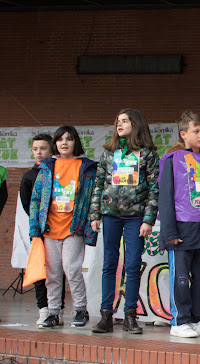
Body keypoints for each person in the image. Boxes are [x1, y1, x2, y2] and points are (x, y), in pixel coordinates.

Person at [89, 109, 160, 334]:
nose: (120, 125)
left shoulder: (147, 154)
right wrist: (95, 214)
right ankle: (106, 316)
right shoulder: (109, 153)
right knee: (109, 265)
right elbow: (98, 184)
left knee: (132, 265)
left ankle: (130, 316)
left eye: (125, 121)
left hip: (136, 217)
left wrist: (148, 219)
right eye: (118, 121)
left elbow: (154, 189)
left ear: (136, 124)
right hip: (110, 216)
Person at [29, 126, 98, 328]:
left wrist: (93, 219)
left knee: (71, 268)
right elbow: (35, 199)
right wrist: (35, 229)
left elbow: (95, 197)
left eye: (69, 139)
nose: (64, 143)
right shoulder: (47, 166)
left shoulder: (86, 167)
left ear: (76, 142)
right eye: (60, 139)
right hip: (50, 228)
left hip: (73, 228)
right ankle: (53, 313)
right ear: (55, 144)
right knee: (52, 272)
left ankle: (80, 310)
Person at [158, 110, 200, 338]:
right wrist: (169, 231)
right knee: (181, 279)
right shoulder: (172, 160)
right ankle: (178, 321)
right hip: (182, 230)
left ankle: (194, 319)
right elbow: (165, 198)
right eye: (196, 131)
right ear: (183, 134)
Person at [20, 134, 67, 325]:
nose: (39, 153)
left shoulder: (58, 172)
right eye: (35, 149)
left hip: (59, 228)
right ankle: (43, 309)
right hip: (39, 232)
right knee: (41, 270)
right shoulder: (28, 176)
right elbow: (26, 203)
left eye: (43, 148)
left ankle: (58, 309)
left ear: (52, 150)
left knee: (58, 271)